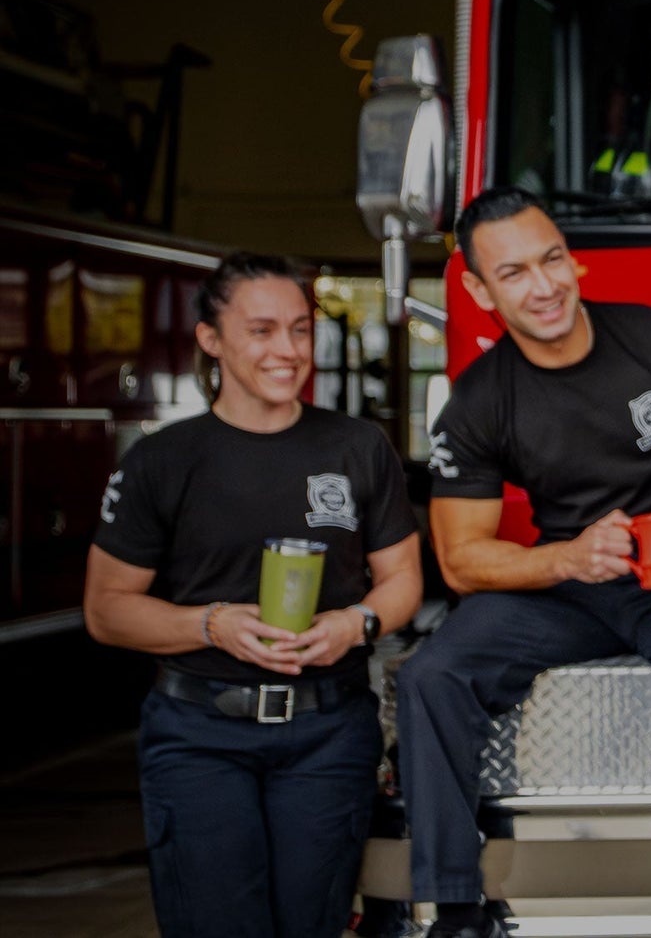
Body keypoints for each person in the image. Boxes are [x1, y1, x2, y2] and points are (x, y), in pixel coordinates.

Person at [398, 187, 651, 938]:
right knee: (430, 674)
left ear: (574, 260)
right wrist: (566, 556)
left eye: (552, 259)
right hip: (566, 587)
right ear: (477, 289)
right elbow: (461, 559)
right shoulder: (477, 403)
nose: (543, 287)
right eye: (513, 273)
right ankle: (456, 907)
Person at [85, 252, 423, 938]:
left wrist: (355, 624)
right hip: (199, 735)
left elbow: (403, 580)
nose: (288, 350)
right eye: (263, 331)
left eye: (300, 330)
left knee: (313, 924)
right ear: (212, 338)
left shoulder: (358, 446)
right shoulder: (161, 460)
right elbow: (107, 609)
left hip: (328, 733)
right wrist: (213, 625)